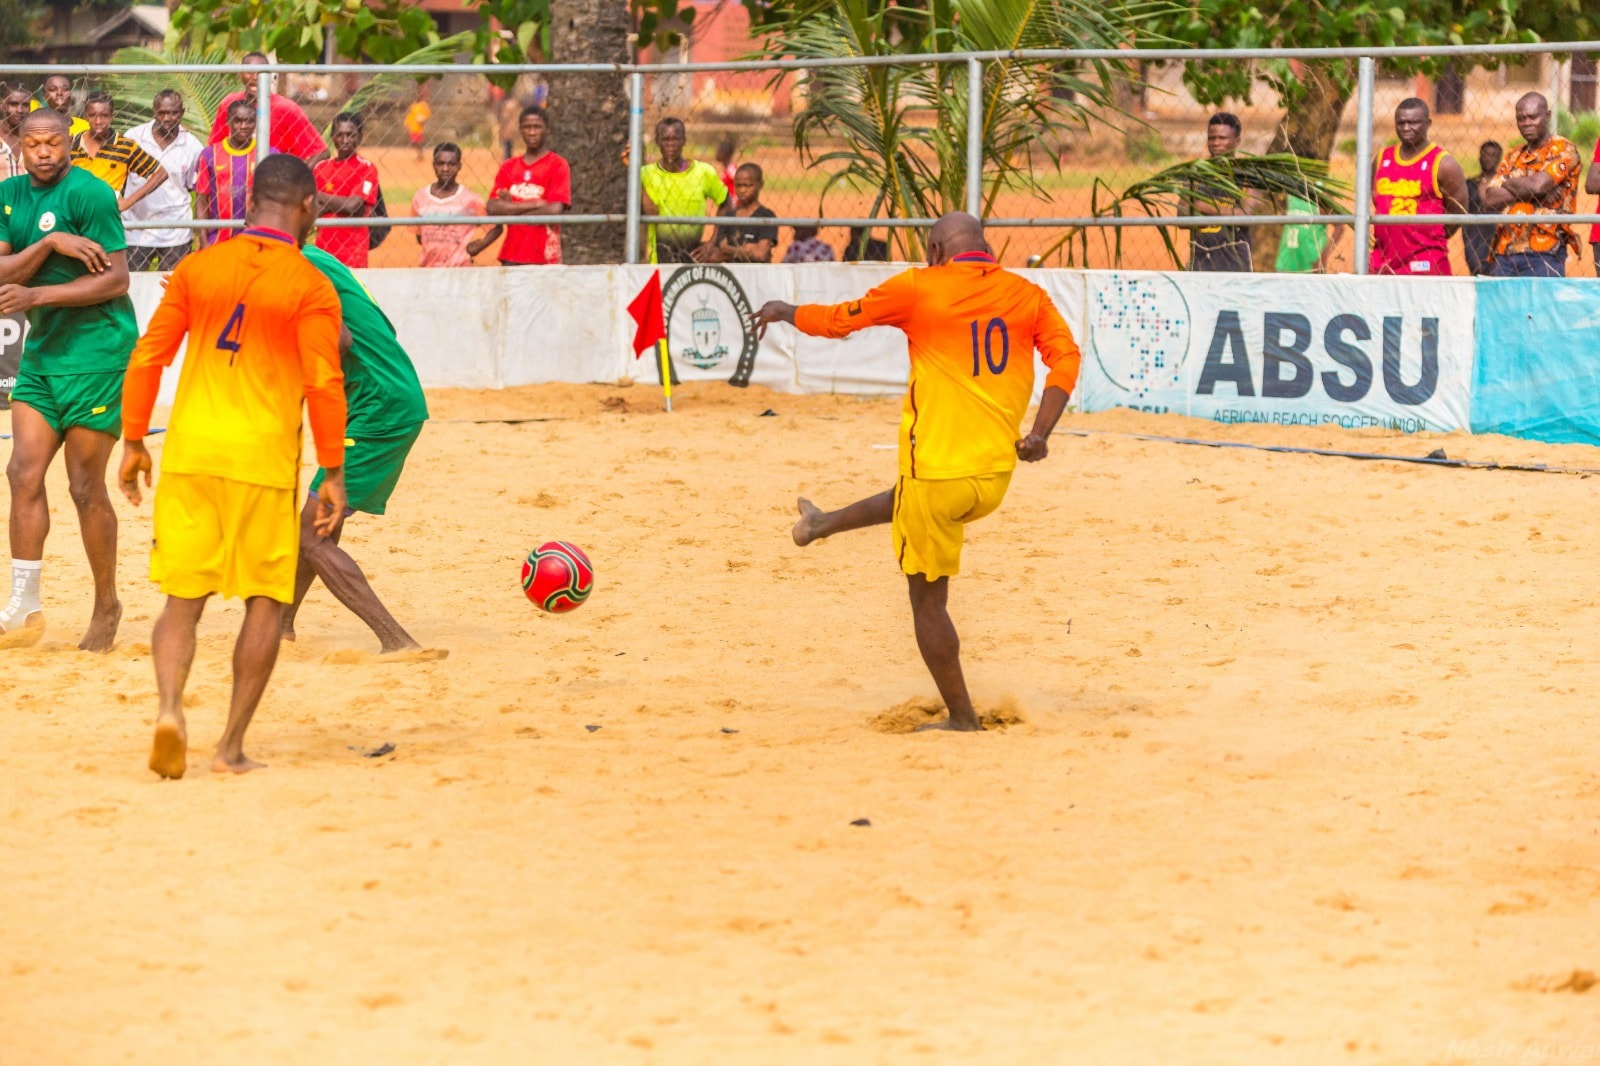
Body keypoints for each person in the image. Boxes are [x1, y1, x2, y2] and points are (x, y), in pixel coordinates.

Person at [749, 212, 1081, 733]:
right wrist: (1040, 433)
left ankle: (963, 719)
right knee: (906, 500)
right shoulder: (1027, 294)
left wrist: (787, 310)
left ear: (933, 249)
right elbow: (1066, 359)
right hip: (993, 476)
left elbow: (839, 320)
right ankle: (818, 524)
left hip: (937, 472)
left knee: (927, 601)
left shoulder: (920, 286)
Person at [117, 154, 348, 779]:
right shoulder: (311, 285)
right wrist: (333, 471)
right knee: (265, 604)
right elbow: (325, 382)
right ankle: (229, 748)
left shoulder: (198, 267)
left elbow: (147, 358)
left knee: (180, 602)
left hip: (191, 454)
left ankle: (169, 709)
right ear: (304, 207)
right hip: (262, 462)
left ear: (251, 203)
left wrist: (134, 439)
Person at [0, 107, 134, 652]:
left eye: (54, 142)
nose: (44, 153)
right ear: (21, 147)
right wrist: (51, 247)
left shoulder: (91, 195)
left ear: (69, 144)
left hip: (98, 352)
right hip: (44, 354)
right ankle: (24, 605)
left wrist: (36, 295)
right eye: (33, 144)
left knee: (84, 487)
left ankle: (106, 604)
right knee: (22, 472)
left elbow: (117, 279)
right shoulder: (8, 195)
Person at [282, 240, 431, 654]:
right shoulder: (316, 258)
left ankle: (396, 640)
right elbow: (377, 329)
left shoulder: (294, 267)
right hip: (383, 397)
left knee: (313, 537)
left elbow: (340, 340)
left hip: (378, 408)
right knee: (316, 525)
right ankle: (281, 625)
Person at [1483, 92, 1581, 278]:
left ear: (1548, 115)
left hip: (1545, 251)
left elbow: (1538, 186)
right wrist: (1534, 190)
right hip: (1506, 250)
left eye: (1533, 117)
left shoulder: (1563, 149)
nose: (1527, 122)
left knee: (1541, 307)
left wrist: (1508, 182)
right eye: (1521, 118)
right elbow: (1490, 199)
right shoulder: (1513, 155)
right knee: (1504, 307)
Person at [1368, 98, 1468, 276]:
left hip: (1425, 260)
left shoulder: (1443, 163)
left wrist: (1429, 236)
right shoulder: (1382, 157)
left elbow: (1459, 210)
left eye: (1413, 123)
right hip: (1384, 259)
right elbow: (1376, 197)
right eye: (1401, 123)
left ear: (1428, 123)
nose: (1406, 128)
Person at [122, 89, 204, 273]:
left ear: (182, 113)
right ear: (154, 112)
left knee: (172, 287)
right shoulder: (133, 137)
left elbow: (192, 186)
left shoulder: (192, 146)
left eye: (173, 112)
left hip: (175, 231)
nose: (167, 118)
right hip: (136, 229)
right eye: (162, 113)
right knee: (132, 288)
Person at [207, 52, 327, 163]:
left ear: (269, 75)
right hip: (237, 179)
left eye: (261, 72)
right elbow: (214, 148)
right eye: (249, 71)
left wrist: (296, 179)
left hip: (274, 179)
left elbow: (321, 152)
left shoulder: (287, 109)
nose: (255, 77)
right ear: (241, 74)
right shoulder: (229, 103)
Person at [487, 106, 570, 266]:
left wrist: (510, 207)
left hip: (544, 256)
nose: (532, 132)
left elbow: (554, 210)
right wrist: (536, 204)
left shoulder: (557, 165)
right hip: (511, 254)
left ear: (547, 129)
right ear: (520, 129)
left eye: (537, 127)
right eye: (527, 127)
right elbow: (493, 207)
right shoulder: (508, 166)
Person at [639, 117, 726, 264]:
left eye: (676, 139)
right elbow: (651, 212)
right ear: (657, 141)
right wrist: (633, 170)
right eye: (666, 139)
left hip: (693, 259)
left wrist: (713, 242)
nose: (671, 144)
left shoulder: (703, 172)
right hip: (659, 260)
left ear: (684, 140)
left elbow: (725, 202)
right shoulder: (646, 174)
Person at [70, 92, 169, 215]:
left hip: (107, 216)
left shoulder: (125, 146)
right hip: (75, 214)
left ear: (112, 116)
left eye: (104, 115)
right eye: (92, 115)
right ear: (85, 116)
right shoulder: (72, 143)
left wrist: (128, 201)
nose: (98, 121)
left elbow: (160, 173)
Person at [1185, 112, 1260, 272]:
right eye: (1212, 138)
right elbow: (1183, 217)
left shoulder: (1248, 175)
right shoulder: (1196, 173)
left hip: (1235, 265)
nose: (1216, 143)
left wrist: (1202, 207)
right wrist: (1229, 212)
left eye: (1223, 138)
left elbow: (1245, 217)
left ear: (1237, 141)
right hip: (1201, 262)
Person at [411, 142, 502, 267]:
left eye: (451, 164)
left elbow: (496, 227)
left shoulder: (471, 199)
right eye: (440, 164)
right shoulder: (420, 197)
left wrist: (479, 246)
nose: (445, 169)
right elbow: (419, 237)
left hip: (459, 268)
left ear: (459, 166)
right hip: (428, 268)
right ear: (434, 165)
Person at [195, 99, 270, 247]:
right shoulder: (210, 154)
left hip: (255, 241)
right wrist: (203, 241)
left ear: (255, 123)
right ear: (228, 122)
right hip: (218, 241)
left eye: (249, 122)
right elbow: (201, 200)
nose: (243, 126)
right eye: (238, 121)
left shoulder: (268, 154)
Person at [312, 112, 381, 269]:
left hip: (353, 254)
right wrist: (342, 204)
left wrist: (321, 197)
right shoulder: (320, 168)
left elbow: (353, 206)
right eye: (339, 135)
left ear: (360, 137)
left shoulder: (366, 168)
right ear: (332, 137)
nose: (345, 141)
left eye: (351, 135)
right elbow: (312, 210)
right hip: (324, 253)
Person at [700, 162, 776, 264]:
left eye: (747, 185)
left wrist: (729, 250)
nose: (742, 190)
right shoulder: (729, 217)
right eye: (738, 185)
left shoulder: (766, 215)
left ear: (760, 185)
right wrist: (745, 250)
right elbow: (717, 252)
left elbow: (760, 254)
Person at [1464, 140, 1503, 277]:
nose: (1489, 159)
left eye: (1493, 155)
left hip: (1498, 237)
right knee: (1477, 273)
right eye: (1486, 155)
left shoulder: (1504, 184)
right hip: (1474, 239)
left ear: (1499, 158)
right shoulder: (1469, 184)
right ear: (1480, 157)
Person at [1273, 194, 1333, 273]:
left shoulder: (1319, 193)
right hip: (1285, 260)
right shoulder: (1291, 191)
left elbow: (1340, 227)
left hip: (1310, 263)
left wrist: (1323, 257)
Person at [1, 83, 30, 179]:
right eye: (14, 104)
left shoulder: (34, 137)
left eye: (25, 105)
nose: (20, 110)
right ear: (3, 105)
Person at [404, 93, 430, 163]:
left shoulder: (423, 105)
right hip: (413, 125)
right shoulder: (413, 105)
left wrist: (423, 120)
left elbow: (427, 114)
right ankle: (420, 154)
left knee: (416, 141)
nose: (416, 98)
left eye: (418, 96)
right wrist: (407, 122)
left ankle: (420, 155)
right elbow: (410, 114)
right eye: (415, 97)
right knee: (413, 142)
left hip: (419, 126)